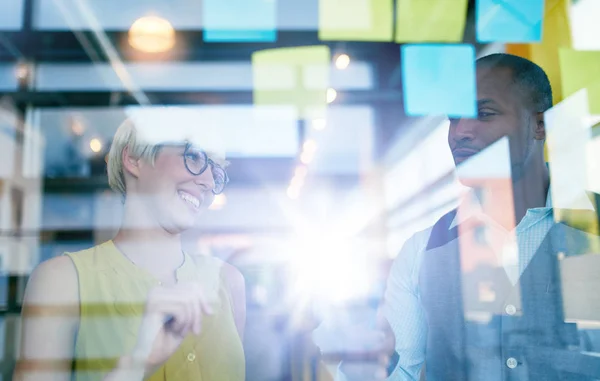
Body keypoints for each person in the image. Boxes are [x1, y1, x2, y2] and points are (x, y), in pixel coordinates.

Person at [383, 53, 600, 380]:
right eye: (453, 117)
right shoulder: (420, 253)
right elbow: (402, 372)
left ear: (539, 124)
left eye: (484, 113)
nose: (460, 132)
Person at [14, 108, 246, 381]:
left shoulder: (228, 283)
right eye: (193, 156)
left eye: (215, 172)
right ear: (134, 159)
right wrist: (137, 363)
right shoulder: (61, 281)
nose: (207, 182)